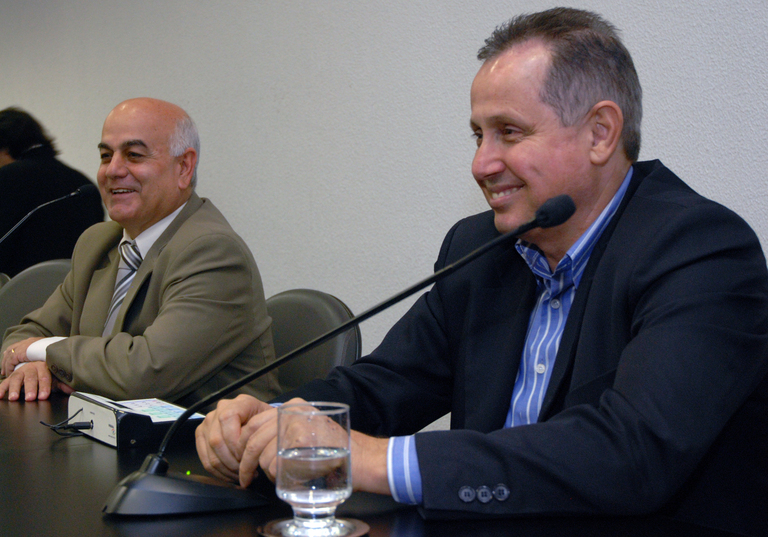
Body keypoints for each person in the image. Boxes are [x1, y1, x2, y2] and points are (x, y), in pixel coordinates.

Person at [194, 8, 768, 536]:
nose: (481, 163)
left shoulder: (699, 250)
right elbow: (385, 384)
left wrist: (369, 458)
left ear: (600, 133)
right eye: (478, 135)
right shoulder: (481, 248)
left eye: (509, 132)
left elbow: (633, 452)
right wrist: (274, 423)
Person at [0, 98, 280, 408]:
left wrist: (42, 352)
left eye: (133, 155)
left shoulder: (213, 251)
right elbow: (28, 333)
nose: (113, 170)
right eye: (106, 156)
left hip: (198, 434)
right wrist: (29, 367)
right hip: (96, 428)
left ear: (184, 167)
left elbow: (143, 373)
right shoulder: (98, 241)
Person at [0, 107, 105, 277]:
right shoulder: (83, 183)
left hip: (23, 288)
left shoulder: (7, 177)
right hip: (78, 289)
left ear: (3, 149)